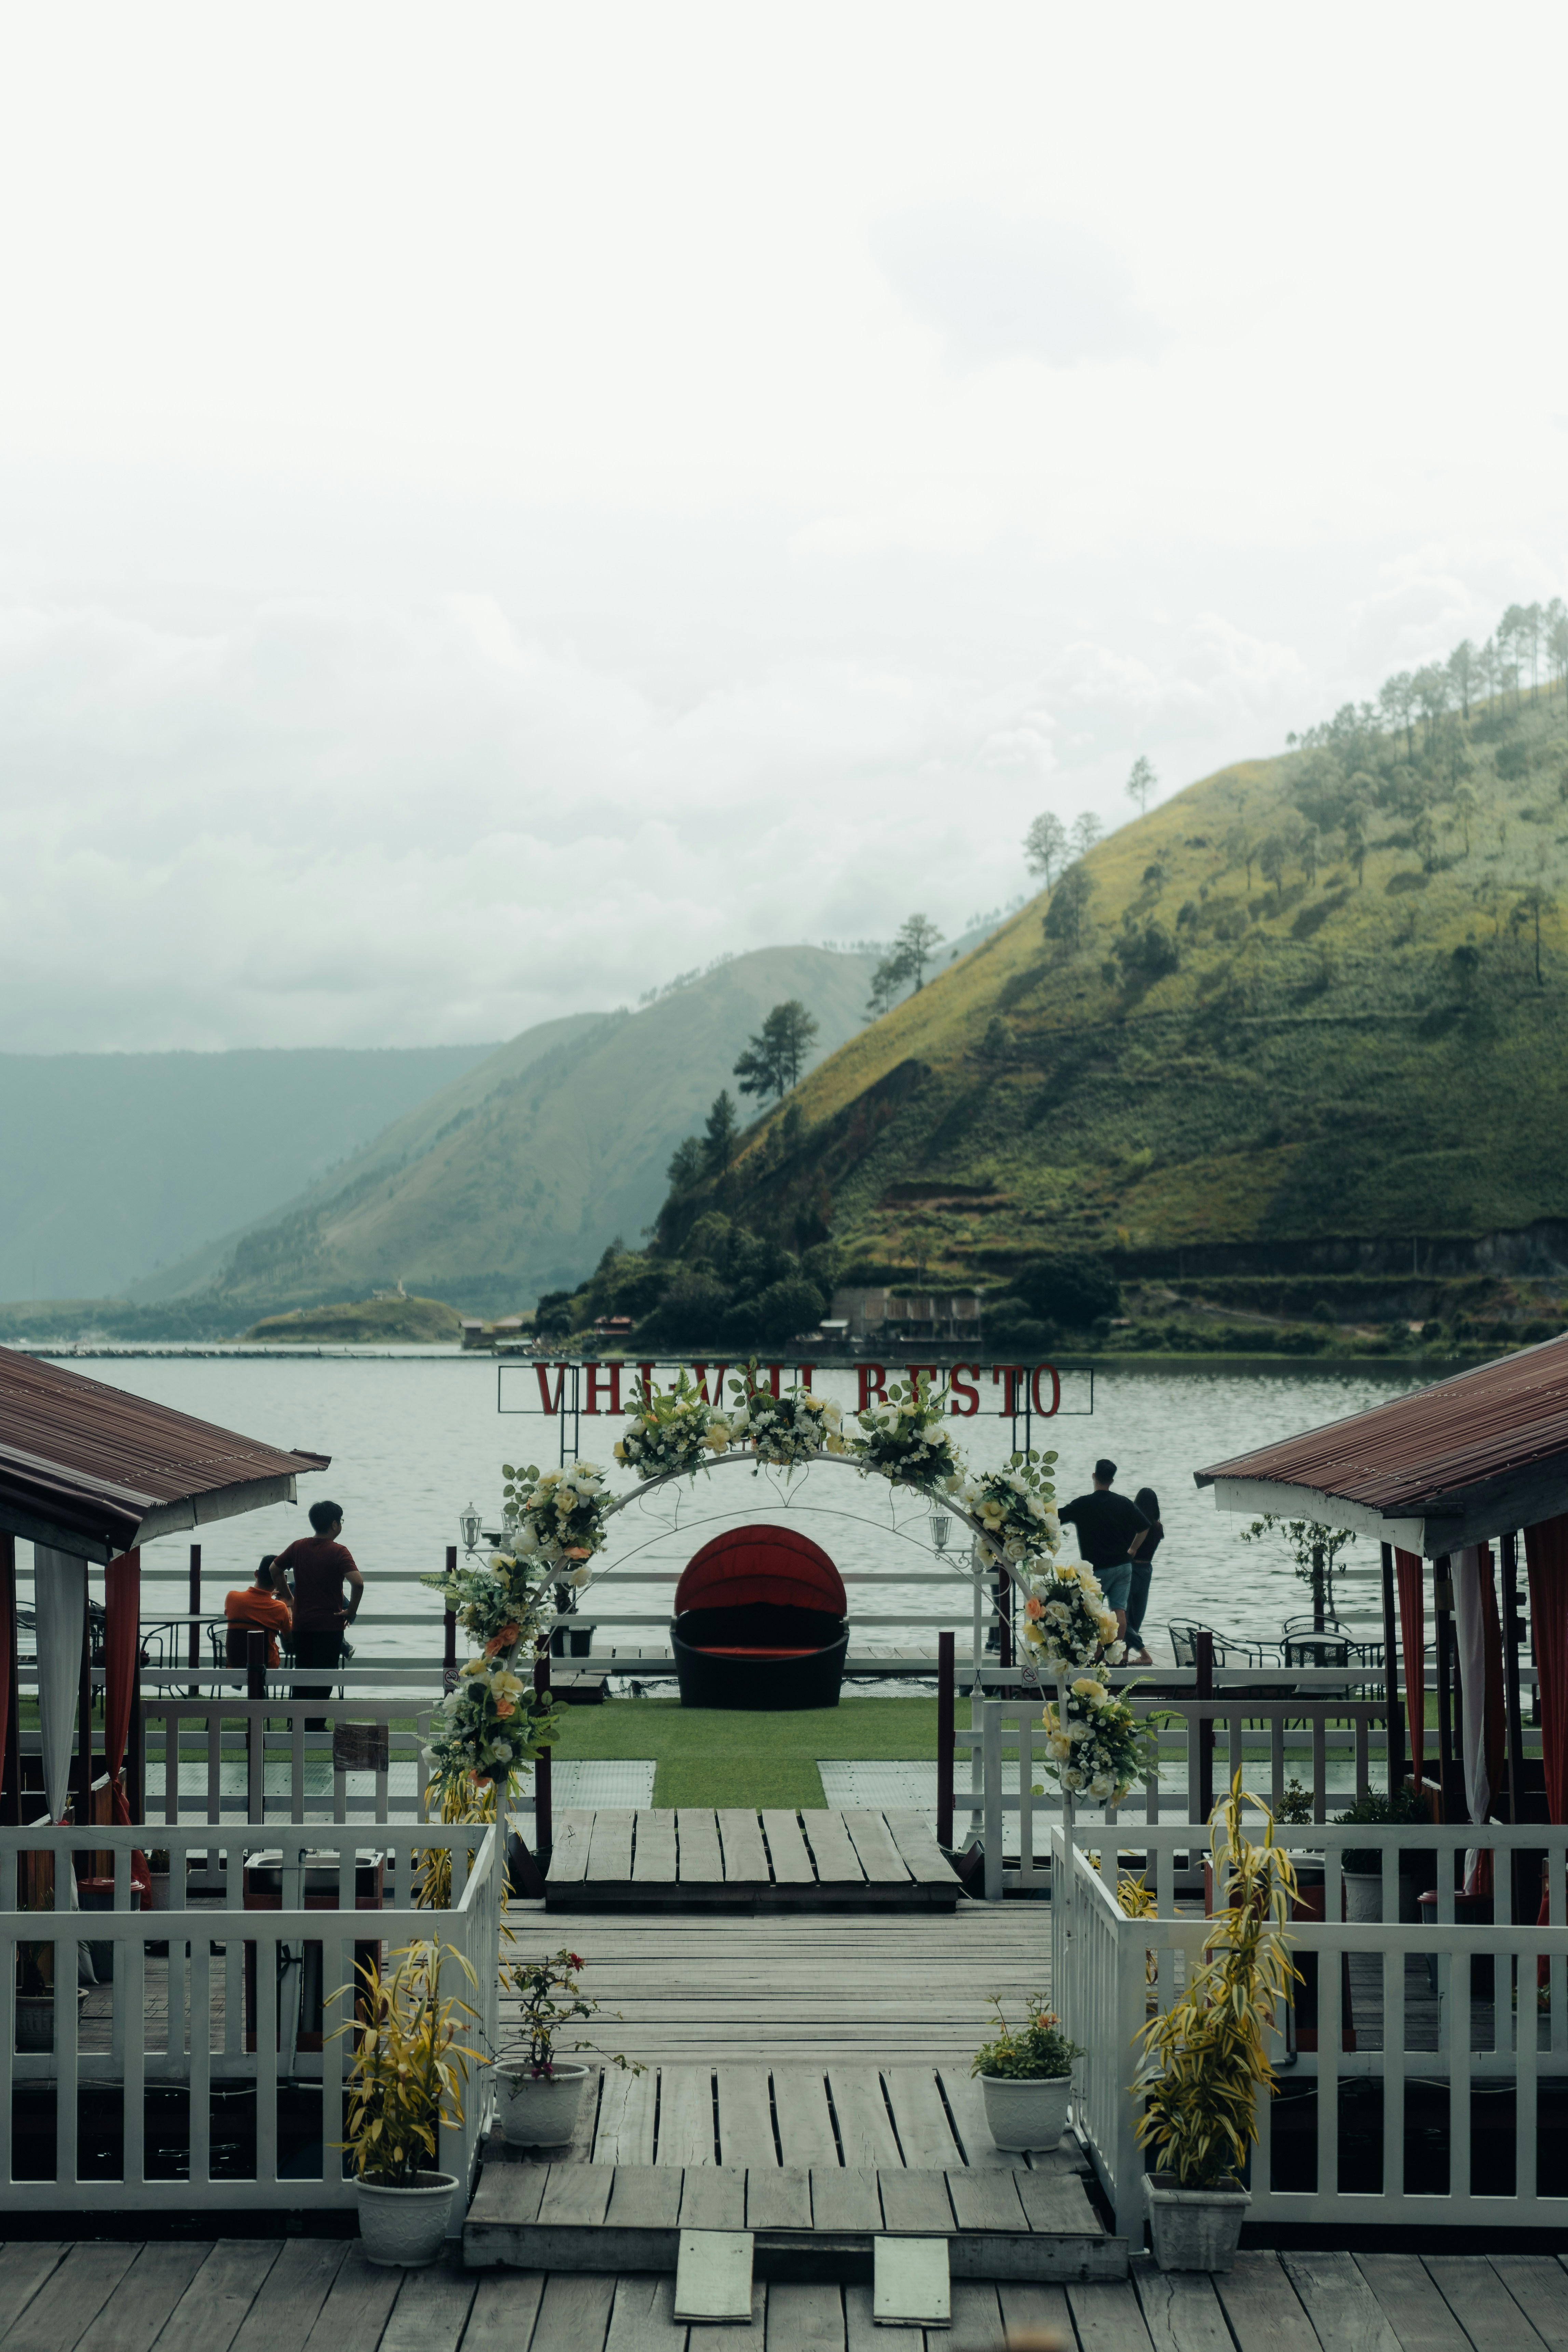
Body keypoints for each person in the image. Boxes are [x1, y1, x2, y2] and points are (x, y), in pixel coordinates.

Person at [272, 1498, 364, 1719]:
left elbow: (274, 1568)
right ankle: (315, 1725)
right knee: (323, 1678)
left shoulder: (298, 1547)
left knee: (302, 1675)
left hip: (302, 1625)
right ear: (334, 1524)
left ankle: (295, 1724)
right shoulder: (339, 1551)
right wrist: (351, 1611)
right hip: (329, 1626)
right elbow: (358, 1583)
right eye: (340, 1521)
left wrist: (289, 1597)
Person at [1056, 1458, 1149, 1647]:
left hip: (1097, 1569)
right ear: (1112, 1481)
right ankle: (1114, 1653)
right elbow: (1145, 1527)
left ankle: (1095, 1653)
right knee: (1119, 1611)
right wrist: (1133, 1549)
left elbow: (1057, 1517)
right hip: (1123, 1566)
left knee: (1092, 1610)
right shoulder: (1124, 1503)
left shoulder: (1083, 1504)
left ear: (1094, 1476)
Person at [223, 1554, 292, 1668]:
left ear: (256, 1574)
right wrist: (287, 1603)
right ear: (280, 1581)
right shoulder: (280, 1608)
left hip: (234, 1664)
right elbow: (289, 1637)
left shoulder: (232, 1597)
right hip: (265, 1665)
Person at [1127, 1488, 1164, 1668]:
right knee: (1136, 1617)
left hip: (1131, 1570)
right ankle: (1125, 1654)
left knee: (1122, 1616)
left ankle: (1144, 1654)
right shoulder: (1158, 1528)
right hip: (1147, 1571)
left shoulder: (1134, 1526)